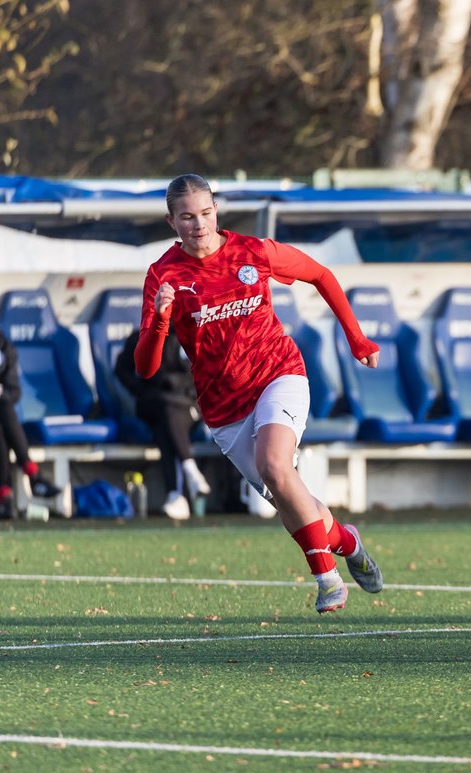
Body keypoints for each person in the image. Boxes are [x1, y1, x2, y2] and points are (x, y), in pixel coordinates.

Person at [135, 174, 383, 612]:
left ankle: (327, 579)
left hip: (278, 374)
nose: (199, 225)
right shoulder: (164, 276)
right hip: (224, 409)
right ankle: (347, 541)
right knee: (287, 490)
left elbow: (320, 275)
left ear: (217, 210)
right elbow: (146, 367)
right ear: (171, 221)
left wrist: (357, 338)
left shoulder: (253, 252)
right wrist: (159, 320)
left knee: (274, 464)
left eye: (206, 213)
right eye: (187, 217)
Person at [0, 289, 62, 519]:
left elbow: (15, 391)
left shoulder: (5, 347)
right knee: (4, 412)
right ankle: (33, 475)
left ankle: (5, 501)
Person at [116, 328, 212, 519]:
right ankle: (190, 469)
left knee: (165, 426)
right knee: (166, 410)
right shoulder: (140, 337)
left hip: (186, 405)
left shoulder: (191, 336)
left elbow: (205, 371)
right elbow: (121, 370)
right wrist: (140, 389)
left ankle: (175, 495)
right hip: (153, 403)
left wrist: (180, 387)